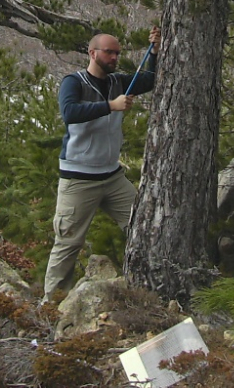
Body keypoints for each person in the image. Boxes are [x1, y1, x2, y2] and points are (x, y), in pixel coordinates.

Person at [42, 25, 161, 301]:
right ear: (92, 52)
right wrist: (111, 106)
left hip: (112, 177)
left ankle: (148, 291)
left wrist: (154, 51)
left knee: (142, 224)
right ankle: (51, 305)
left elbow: (150, 79)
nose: (115, 58)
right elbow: (69, 112)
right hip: (78, 179)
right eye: (109, 53)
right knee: (68, 244)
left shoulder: (118, 82)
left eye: (118, 53)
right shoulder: (75, 81)